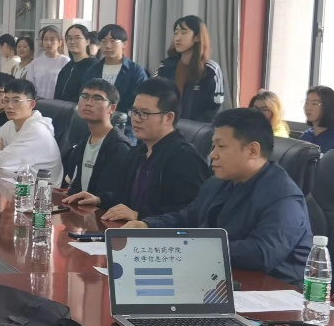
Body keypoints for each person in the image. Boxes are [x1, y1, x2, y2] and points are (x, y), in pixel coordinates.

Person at [121, 108, 312, 285]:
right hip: (220, 280)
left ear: (253, 150)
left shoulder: (283, 197)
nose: (212, 154)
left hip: (272, 294)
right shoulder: (217, 183)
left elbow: (262, 254)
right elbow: (188, 218)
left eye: (221, 146)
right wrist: (148, 225)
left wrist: (193, 246)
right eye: (213, 146)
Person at [62, 78, 211, 221]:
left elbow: (191, 213)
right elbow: (123, 197)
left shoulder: (185, 158)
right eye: (134, 111)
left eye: (145, 113)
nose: (136, 119)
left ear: (168, 118)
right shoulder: (138, 153)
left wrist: (139, 215)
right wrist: (98, 200)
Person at [0, 79, 63, 184]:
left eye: (16, 101)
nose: (9, 106)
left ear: (31, 104)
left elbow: (2, 162)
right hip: (13, 183)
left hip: (41, 191)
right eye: (6, 101)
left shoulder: (37, 131)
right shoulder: (10, 125)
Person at [61, 79, 132, 196]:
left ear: (112, 108)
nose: (88, 103)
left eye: (97, 98)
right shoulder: (84, 141)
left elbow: (115, 195)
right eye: (84, 96)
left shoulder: (119, 147)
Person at [83, 24, 147, 141]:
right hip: (94, 126)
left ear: (124, 44)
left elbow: (142, 103)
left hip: (126, 129)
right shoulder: (92, 70)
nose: (108, 46)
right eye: (103, 41)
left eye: (113, 41)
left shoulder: (135, 71)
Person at [155, 15, 225, 122]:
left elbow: (214, 107)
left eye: (183, 32)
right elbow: (153, 94)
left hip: (197, 128)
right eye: (176, 33)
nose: (177, 38)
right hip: (165, 125)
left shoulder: (211, 70)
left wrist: (194, 127)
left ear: (197, 37)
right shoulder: (166, 66)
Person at [53, 24, 99, 103]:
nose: (72, 41)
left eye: (77, 38)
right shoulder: (67, 67)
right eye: (69, 38)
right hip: (61, 109)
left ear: (87, 41)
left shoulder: (94, 66)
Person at [299, 86, 334, 153]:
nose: (308, 108)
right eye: (306, 103)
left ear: (328, 106)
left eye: (314, 104)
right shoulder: (305, 136)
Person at [27, 26, 69, 100]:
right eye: (45, 39)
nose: (48, 43)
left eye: (52, 39)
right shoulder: (35, 63)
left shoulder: (65, 61)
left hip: (58, 103)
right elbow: (30, 86)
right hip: (38, 102)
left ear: (59, 42)